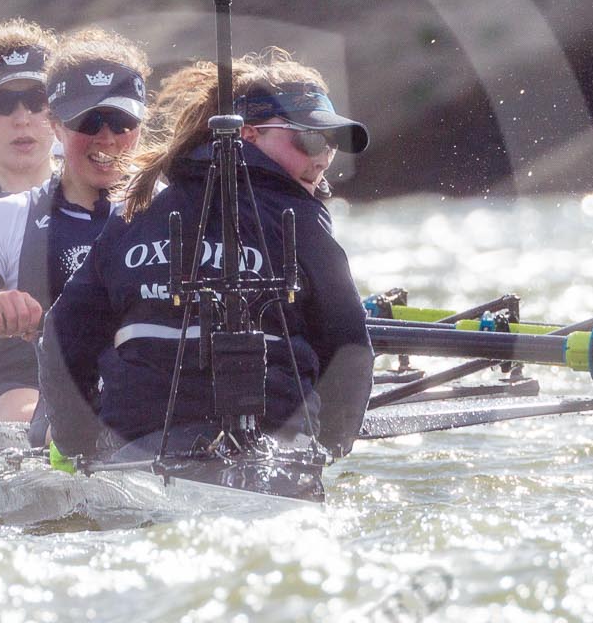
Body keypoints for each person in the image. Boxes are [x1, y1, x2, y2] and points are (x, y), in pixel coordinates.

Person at [37, 50, 374, 466]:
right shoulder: (303, 220)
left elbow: (61, 339)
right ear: (249, 136)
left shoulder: (138, 212)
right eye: (308, 139)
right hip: (274, 455)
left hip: (138, 455)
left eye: (331, 144)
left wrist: (79, 447)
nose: (322, 157)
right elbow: (351, 346)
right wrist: (333, 449)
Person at [0, 29, 150, 421]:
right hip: (28, 398)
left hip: (142, 403)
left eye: (121, 123)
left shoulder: (176, 210)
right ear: (57, 125)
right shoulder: (6, 218)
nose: (107, 139)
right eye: (88, 122)